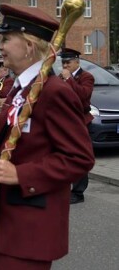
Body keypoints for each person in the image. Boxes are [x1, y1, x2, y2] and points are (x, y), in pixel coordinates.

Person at [0, 3, 95, 270]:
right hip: (9, 215)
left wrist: (21, 174)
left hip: (31, 219)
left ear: (29, 45)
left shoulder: (52, 91)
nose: (0, 45)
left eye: (6, 39)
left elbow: (79, 157)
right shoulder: (20, 88)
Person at [60, 47, 95, 204]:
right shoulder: (62, 77)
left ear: (77, 62)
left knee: (80, 155)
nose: (65, 66)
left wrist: (69, 80)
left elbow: (83, 95)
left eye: (68, 62)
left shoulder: (86, 77)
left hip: (81, 120)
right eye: (63, 63)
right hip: (65, 120)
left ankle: (78, 192)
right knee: (65, 155)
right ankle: (64, 188)